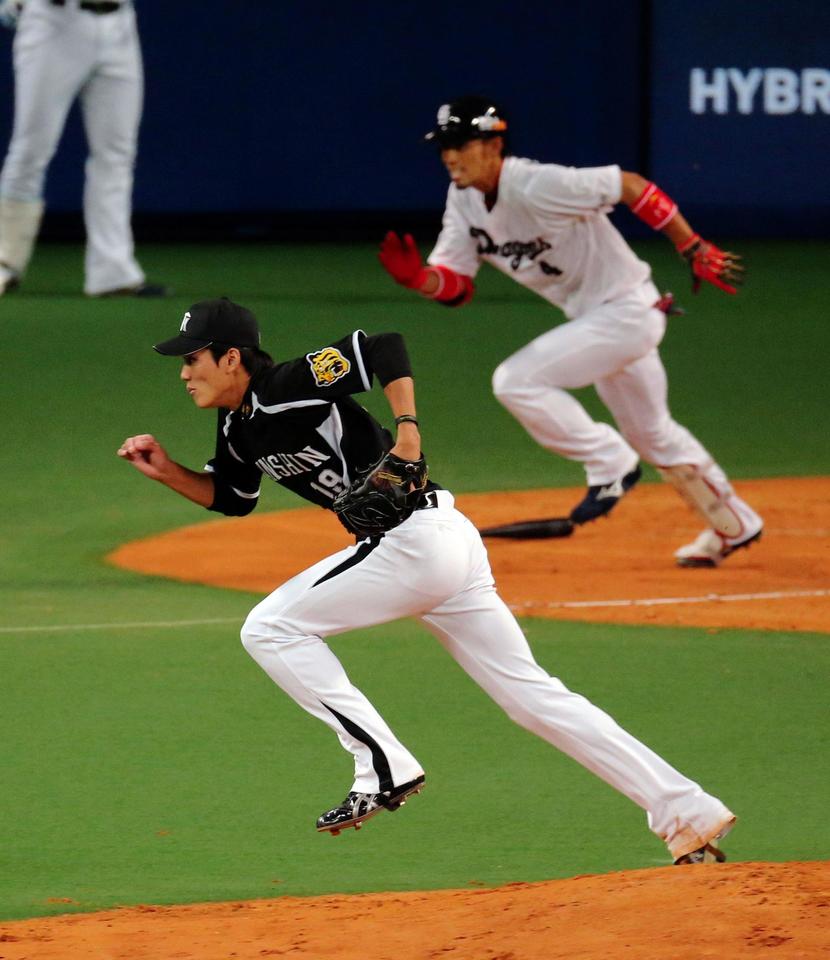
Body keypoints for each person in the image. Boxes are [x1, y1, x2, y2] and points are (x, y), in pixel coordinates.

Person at [118, 296, 736, 864]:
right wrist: (165, 469)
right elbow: (232, 497)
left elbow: (383, 346)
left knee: (271, 628)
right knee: (532, 698)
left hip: (416, 543)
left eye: (193, 358)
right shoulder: (236, 426)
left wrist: (408, 432)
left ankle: (380, 765)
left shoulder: (288, 383)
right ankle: (686, 810)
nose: (183, 372)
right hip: (438, 547)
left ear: (231, 357)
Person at [379, 95, 763, 568]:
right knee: (654, 433)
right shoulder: (464, 200)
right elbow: (456, 285)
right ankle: (734, 522)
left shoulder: (537, 183)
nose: (450, 155)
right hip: (600, 321)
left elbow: (630, 185)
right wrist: (420, 279)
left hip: (626, 311)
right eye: (445, 146)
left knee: (517, 381)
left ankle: (610, 463)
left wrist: (691, 243)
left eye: (461, 143)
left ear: (494, 143)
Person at [0, 0, 167, 296]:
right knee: (31, 148)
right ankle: (4, 261)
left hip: (119, 23)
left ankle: (112, 272)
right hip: (55, 22)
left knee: (116, 154)